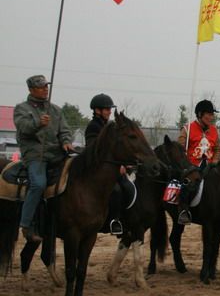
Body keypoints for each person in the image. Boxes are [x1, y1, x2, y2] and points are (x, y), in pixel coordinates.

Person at [13, 75, 73, 242]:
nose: (45, 89)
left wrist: (67, 141)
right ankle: (26, 224)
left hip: (57, 154)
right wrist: (38, 123)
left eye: (46, 86)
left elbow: (65, 130)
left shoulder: (55, 110)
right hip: (35, 155)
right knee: (38, 184)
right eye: (41, 87)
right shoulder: (21, 109)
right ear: (31, 90)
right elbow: (23, 128)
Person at [85, 93, 133, 235]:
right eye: (106, 109)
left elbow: (116, 150)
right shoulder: (93, 127)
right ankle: (113, 220)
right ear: (97, 110)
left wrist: (125, 163)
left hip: (112, 169)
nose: (109, 111)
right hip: (98, 169)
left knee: (128, 187)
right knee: (116, 190)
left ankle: (125, 219)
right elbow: (95, 151)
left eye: (110, 109)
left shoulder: (111, 126)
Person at [177, 100, 220, 224]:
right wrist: (186, 165)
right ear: (200, 114)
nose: (212, 117)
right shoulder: (187, 129)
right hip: (192, 167)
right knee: (188, 184)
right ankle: (183, 211)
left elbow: (217, 148)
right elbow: (180, 149)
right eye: (209, 114)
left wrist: (216, 160)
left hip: (210, 166)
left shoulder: (214, 130)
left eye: (213, 114)